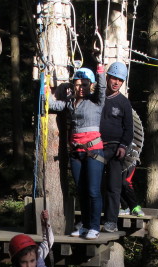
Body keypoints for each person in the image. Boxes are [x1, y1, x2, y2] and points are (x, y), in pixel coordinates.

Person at [48, 65, 106, 240]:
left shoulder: (96, 101)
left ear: (91, 86)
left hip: (93, 151)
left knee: (93, 190)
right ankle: (86, 224)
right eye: (78, 84)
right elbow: (52, 105)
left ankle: (95, 226)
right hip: (76, 153)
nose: (81, 88)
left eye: (85, 85)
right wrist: (44, 88)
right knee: (81, 190)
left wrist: (101, 71)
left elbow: (102, 89)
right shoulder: (70, 103)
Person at [99, 62, 144, 231]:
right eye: (114, 78)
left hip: (116, 149)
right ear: (108, 77)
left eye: (120, 80)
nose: (116, 82)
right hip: (96, 147)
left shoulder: (124, 103)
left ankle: (111, 220)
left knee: (114, 186)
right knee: (94, 184)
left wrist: (123, 146)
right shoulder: (99, 98)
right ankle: (92, 219)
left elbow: (129, 129)